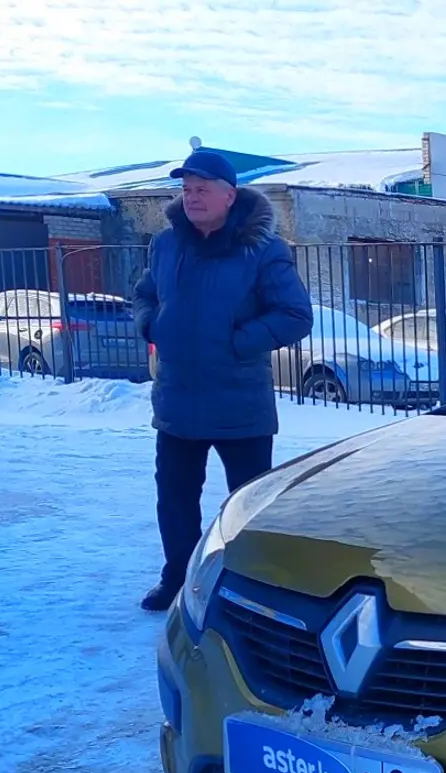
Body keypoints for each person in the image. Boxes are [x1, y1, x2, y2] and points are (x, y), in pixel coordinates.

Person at [132, 148, 312, 612]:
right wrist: (153, 325)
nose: (192, 198)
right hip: (177, 401)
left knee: (250, 506)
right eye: (186, 189)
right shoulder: (166, 244)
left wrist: (236, 342)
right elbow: (145, 294)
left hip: (240, 406)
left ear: (230, 196)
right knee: (174, 502)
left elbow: (295, 315)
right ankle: (177, 579)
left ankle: (251, 589)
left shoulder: (262, 248)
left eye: (202, 189)